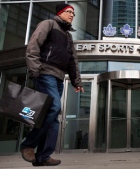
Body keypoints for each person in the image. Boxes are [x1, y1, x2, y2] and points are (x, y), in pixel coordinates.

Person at [20, 3, 84, 166]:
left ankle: (43, 156)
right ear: (60, 13)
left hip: (58, 77)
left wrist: (76, 81)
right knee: (55, 107)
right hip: (45, 72)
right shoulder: (48, 24)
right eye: (68, 12)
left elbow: (72, 61)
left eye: (73, 13)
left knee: (53, 116)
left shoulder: (68, 37)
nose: (71, 15)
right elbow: (33, 46)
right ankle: (28, 144)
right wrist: (35, 69)